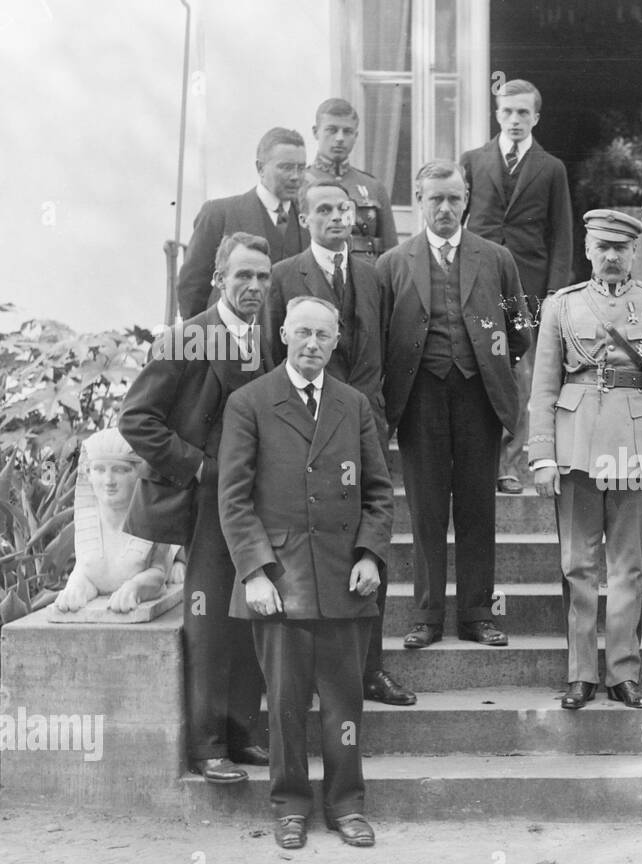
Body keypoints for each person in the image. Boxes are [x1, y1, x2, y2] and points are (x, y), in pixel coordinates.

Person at [219, 295, 394, 850]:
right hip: (281, 581)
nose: (313, 344)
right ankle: (291, 807)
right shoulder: (250, 402)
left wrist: (369, 555)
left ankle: (346, 805)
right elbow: (234, 499)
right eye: (303, 334)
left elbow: (379, 493)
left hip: (346, 578)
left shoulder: (354, 404)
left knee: (345, 704)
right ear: (284, 336)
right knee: (286, 705)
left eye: (323, 335)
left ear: (337, 341)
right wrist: (255, 572)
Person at [120, 232, 272, 784]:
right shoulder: (185, 340)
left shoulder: (267, 339)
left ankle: (241, 734)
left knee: (251, 614)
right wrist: (201, 467)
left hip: (256, 499)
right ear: (218, 280)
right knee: (208, 619)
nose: (254, 286)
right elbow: (136, 420)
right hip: (206, 500)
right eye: (243, 277)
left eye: (262, 277)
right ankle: (207, 749)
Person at [527, 209, 642, 711]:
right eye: (603, 247)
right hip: (575, 443)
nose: (613, 256)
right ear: (588, 250)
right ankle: (580, 673)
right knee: (577, 564)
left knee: (628, 567)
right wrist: (541, 456)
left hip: (637, 445)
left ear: (634, 252)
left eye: (622, 248)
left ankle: (623, 672)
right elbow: (544, 384)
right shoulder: (562, 306)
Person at [266, 178, 413, 707]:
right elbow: (270, 355)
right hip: (302, 428)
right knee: (308, 543)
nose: (335, 218)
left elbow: (395, 353)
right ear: (305, 219)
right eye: (323, 209)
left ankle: (370, 670)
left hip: (364, 422)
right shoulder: (284, 277)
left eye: (343, 209)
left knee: (370, 541)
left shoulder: (374, 276)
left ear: (356, 216)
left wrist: (381, 418)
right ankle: (306, 678)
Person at [377, 159, 530, 649]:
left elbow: (519, 327)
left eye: (454, 199)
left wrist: (493, 363)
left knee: (476, 507)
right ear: (419, 202)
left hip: (477, 394)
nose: (445, 208)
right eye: (435, 199)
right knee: (424, 509)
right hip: (420, 396)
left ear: (467, 202)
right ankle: (425, 615)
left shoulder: (496, 259)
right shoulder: (393, 263)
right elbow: (382, 337)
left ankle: (477, 614)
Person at [460, 78, 574, 495]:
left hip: (527, 286)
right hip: (477, 279)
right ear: (496, 114)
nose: (514, 120)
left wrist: (556, 295)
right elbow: (457, 220)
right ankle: (474, 461)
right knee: (474, 366)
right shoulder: (473, 160)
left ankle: (508, 463)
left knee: (520, 373)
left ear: (536, 117)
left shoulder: (551, 168)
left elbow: (562, 237)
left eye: (523, 112)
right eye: (507, 112)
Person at [176, 128, 309, 319]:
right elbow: (192, 287)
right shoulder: (219, 214)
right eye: (286, 167)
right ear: (260, 168)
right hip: (230, 339)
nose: (296, 176)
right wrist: (202, 341)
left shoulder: (310, 220)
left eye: (301, 167)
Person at [54, 428, 178, 615]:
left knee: (176, 536)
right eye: (99, 469)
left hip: (165, 550)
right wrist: (76, 587)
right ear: (87, 473)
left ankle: (180, 561)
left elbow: (157, 575)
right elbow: (85, 572)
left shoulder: (152, 518)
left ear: (139, 473)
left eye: (120, 470)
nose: (108, 481)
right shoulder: (89, 521)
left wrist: (135, 587)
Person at [303, 98, 399, 262]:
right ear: (315, 132)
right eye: (331, 130)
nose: (340, 138)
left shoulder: (373, 187)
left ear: (356, 135)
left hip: (365, 279)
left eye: (347, 131)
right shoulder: (301, 184)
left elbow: (390, 252)